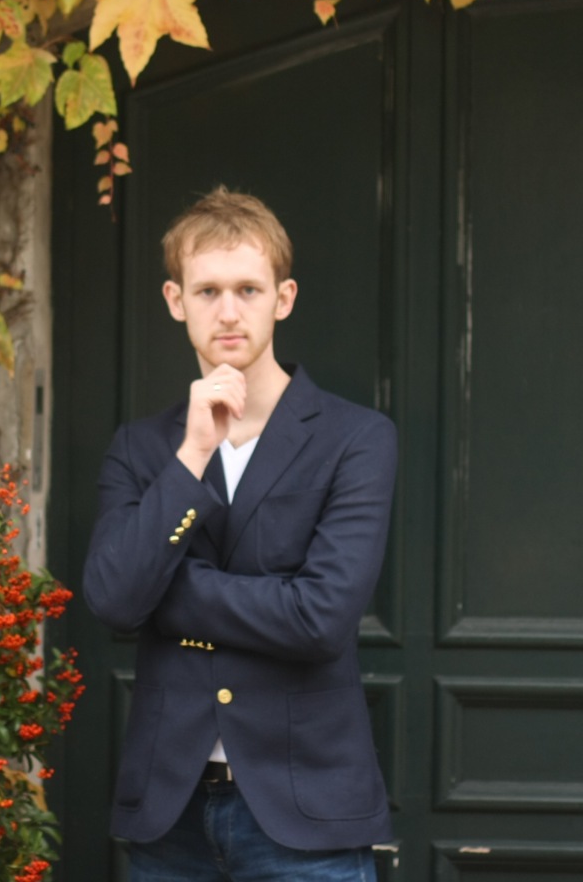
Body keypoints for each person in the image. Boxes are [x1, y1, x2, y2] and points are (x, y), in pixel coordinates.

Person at [83, 187, 397, 882]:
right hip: (170, 815)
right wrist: (193, 455)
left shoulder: (356, 439)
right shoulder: (142, 449)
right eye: (208, 291)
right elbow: (112, 599)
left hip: (306, 811)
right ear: (175, 300)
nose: (228, 311)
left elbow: (320, 619)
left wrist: (170, 592)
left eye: (248, 290)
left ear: (283, 298)